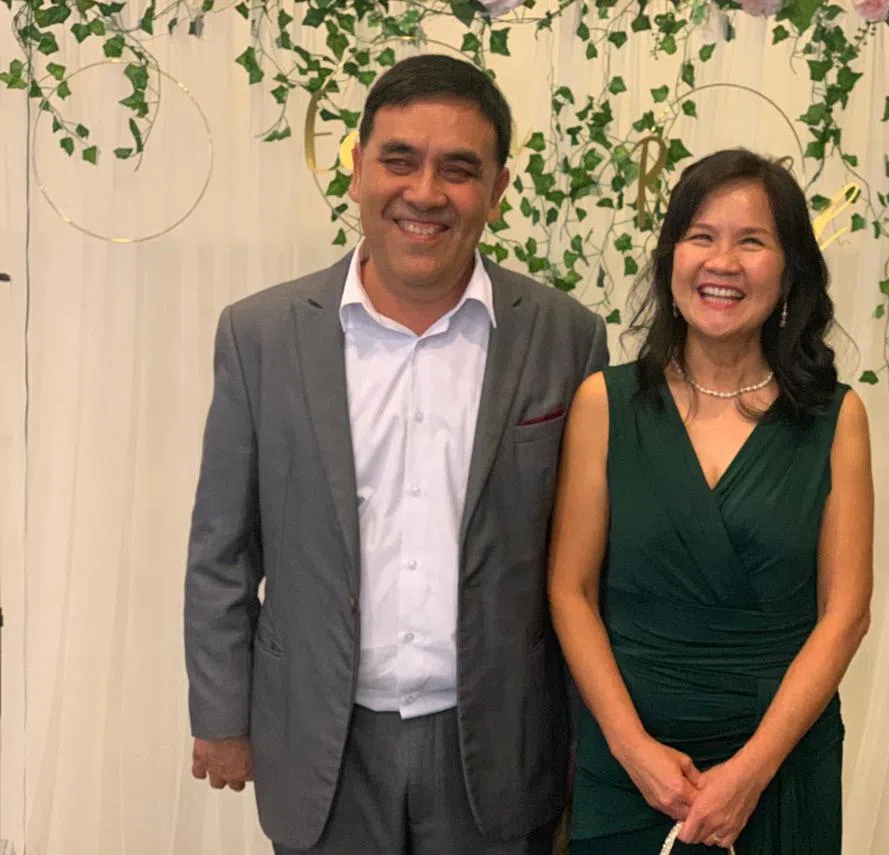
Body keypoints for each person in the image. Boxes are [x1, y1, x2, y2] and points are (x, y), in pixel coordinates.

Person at [183, 53, 608, 854]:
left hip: (499, 742)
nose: (425, 192)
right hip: (320, 738)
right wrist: (220, 713)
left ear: (498, 189)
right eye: (400, 160)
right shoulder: (260, 335)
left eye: (459, 169)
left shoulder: (565, 337)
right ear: (357, 168)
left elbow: (588, 559)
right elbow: (222, 548)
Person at [548, 149, 873, 854]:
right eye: (701, 236)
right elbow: (570, 590)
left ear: (790, 272)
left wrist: (752, 772)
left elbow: (846, 613)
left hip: (780, 761)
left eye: (751, 241)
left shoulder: (836, 418)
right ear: (671, 258)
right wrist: (632, 748)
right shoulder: (605, 403)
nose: (722, 262)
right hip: (629, 762)